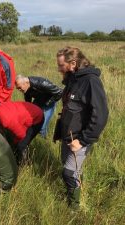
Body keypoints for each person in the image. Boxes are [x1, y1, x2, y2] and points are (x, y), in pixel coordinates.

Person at [55, 46, 109, 209]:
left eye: (61, 66)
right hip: (68, 135)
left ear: (73, 63)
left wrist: (83, 140)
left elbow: (101, 115)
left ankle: (75, 207)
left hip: (79, 138)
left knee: (68, 172)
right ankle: (76, 188)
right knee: (68, 167)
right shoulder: (73, 77)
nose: (58, 69)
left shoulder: (91, 81)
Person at [0, 98, 44, 166]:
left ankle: (25, 165)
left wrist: (12, 146)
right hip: (24, 113)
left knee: (21, 145)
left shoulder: (6, 120)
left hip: (36, 117)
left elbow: (21, 135)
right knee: (10, 142)